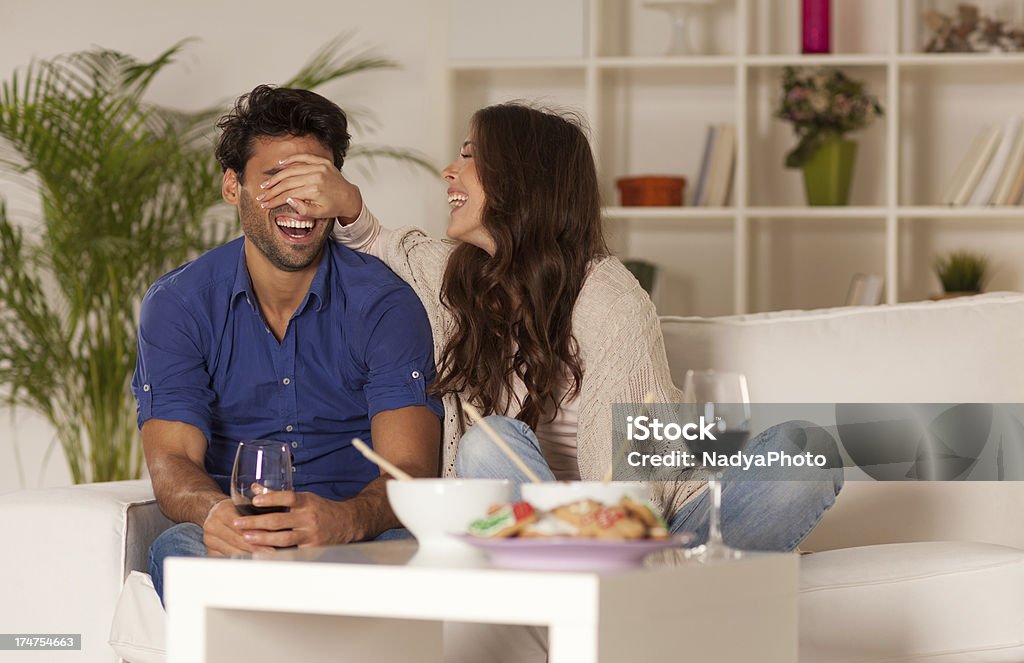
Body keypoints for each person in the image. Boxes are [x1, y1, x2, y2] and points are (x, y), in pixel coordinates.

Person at [258, 100, 843, 662]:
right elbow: (382, 243)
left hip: (640, 526)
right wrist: (347, 200)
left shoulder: (609, 296)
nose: (449, 171)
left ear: (520, 182)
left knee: (807, 450)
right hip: (534, 533)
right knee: (491, 443)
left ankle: (630, 609)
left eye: (470, 156)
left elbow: (638, 475)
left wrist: (610, 545)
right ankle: (658, 609)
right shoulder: (458, 278)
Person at [133, 85, 443, 602]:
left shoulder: (384, 304)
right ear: (233, 187)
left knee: (409, 547)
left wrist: (343, 520)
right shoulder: (179, 304)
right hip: (242, 530)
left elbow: (410, 468)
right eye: (275, 179)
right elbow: (171, 460)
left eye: (314, 181)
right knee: (178, 548)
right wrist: (216, 513)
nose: (298, 202)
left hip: (358, 531)